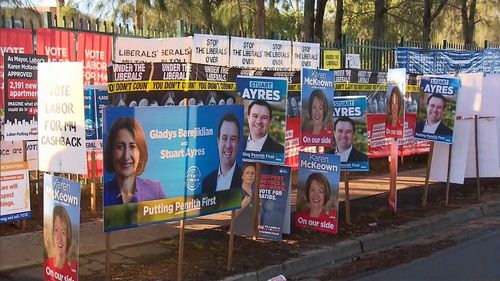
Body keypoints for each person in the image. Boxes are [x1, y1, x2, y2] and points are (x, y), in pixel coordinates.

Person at [103, 116, 165, 206]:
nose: (126, 156)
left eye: (132, 146)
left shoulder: (155, 190)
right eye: (120, 146)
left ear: (141, 152)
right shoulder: (105, 194)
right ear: (111, 151)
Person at [202, 113, 242, 193]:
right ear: (218, 141)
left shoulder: (244, 179)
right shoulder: (206, 182)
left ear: (238, 143)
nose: (228, 145)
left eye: (233, 139)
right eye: (224, 138)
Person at [43, 205, 77, 281]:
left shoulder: (73, 268)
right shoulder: (47, 265)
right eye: (56, 230)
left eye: (63, 232)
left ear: (68, 236)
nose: (59, 237)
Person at [233, 163, 256, 235]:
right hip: (239, 233)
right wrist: (242, 205)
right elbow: (233, 216)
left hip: (251, 233)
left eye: (252, 173)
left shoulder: (255, 193)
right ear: (242, 176)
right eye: (247, 173)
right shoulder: (238, 192)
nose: (250, 175)